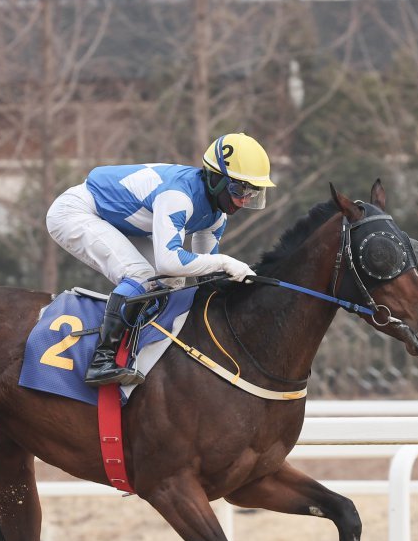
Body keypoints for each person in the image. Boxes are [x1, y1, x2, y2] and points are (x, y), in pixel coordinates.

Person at [46, 132, 274, 387]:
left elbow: (206, 277)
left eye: (252, 192)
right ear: (215, 179)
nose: (244, 200)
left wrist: (244, 284)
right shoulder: (178, 196)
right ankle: (102, 359)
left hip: (117, 221)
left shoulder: (217, 217)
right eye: (239, 189)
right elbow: (169, 261)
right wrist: (224, 263)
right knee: (141, 276)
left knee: (173, 282)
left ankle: (145, 346)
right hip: (76, 211)